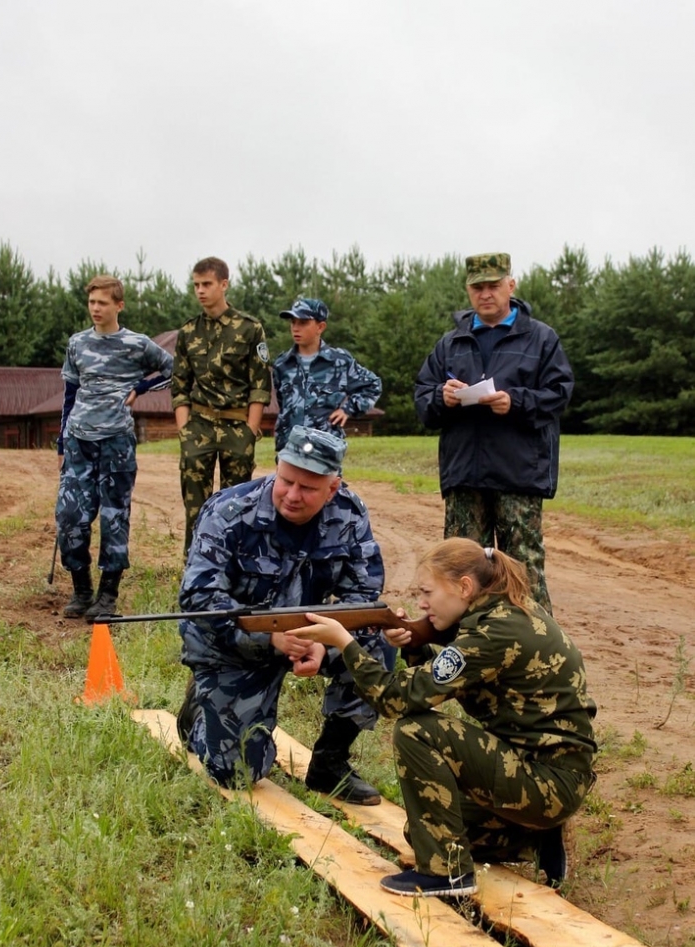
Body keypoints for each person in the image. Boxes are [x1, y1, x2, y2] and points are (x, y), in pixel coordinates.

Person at [289, 537, 597, 898]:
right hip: (545, 772)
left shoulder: (490, 633)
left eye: (428, 593)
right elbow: (452, 682)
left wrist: (344, 642)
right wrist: (415, 643)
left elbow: (395, 700)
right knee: (424, 830)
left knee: (416, 731)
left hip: (548, 782)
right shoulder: (503, 613)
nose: (421, 604)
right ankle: (535, 837)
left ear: (464, 587)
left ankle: (447, 875)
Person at [176, 425, 388, 805]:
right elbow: (199, 596)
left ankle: (330, 763)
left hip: (310, 636)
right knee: (239, 772)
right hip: (233, 644)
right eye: (286, 480)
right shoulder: (229, 511)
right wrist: (268, 639)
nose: (292, 495)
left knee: (378, 643)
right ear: (276, 467)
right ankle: (200, 710)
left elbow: (363, 594)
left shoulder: (350, 514)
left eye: (308, 488)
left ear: (332, 488)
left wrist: (327, 642)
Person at [414, 252, 573, 614]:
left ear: (511, 286)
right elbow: (422, 400)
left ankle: (539, 650)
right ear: (468, 291)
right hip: (464, 475)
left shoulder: (541, 339)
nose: (486, 293)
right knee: (459, 569)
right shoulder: (451, 343)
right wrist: (442, 396)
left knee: (522, 567)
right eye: (478, 287)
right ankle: (466, 647)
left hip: (519, 473)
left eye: (494, 286)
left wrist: (514, 402)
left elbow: (559, 393)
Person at [56, 274, 173, 621]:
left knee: (113, 518)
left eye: (102, 302)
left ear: (118, 305)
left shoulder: (137, 344)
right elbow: (70, 393)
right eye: (91, 302)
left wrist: (142, 386)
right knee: (69, 517)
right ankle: (81, 589)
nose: (95, 308)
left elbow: (174, 369)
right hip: (79, 439)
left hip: (117, 442)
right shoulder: (77, 344)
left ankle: (107, 595)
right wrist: (62, 442)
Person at [171, 256, 272, 555]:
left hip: (237, 426)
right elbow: (180, 385)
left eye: (207, 284)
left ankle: (234, 564)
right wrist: (184, 429)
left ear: (224, 284)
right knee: (195, 506)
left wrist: (250, 430)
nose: (200, 291)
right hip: (198, 426)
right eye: (196, 285)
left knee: (237, 504)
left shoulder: (250, 329)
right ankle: (194, 564)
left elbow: (260, 384)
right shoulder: (188, 332)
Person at [272, 297, 382, 453]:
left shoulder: (339, 362)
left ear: (320, 327)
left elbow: (373, 385)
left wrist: (348, 409)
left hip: (324, 451)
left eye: (303, 323)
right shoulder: (282, 364)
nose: (296, 328)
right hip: (289, 449)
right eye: (293, 322)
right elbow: (282, 403)